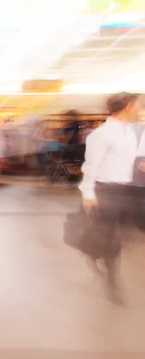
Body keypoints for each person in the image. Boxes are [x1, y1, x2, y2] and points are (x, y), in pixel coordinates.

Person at [79, 92, 141, 304]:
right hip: (106, 190)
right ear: (128, 106)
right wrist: (88, 193)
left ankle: (92, 249)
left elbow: (131, 159)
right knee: (112, 238)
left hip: (127, 189)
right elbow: (91, 165)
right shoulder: (102, 134)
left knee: (125, 234)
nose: (139, 110)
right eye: (138, 106)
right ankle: (113, 283)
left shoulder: (131, 133)